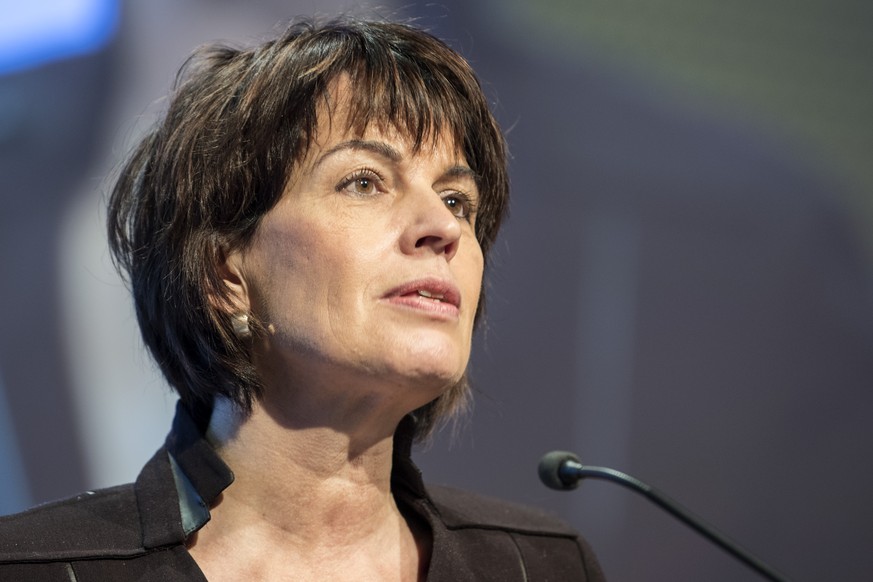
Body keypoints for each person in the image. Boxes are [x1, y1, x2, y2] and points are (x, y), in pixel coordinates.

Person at [0, 18, 604, 581]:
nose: (443, 229)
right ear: (224, 274)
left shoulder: (539, 565)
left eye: (457, 201)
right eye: (364, 181)